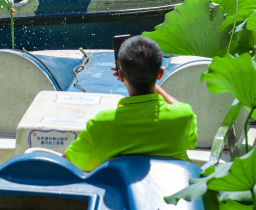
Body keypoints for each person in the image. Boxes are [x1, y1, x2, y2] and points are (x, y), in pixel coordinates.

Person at [63, 36, 198, 172]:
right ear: (160, 73)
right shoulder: (183, 117)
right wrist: (150, 80)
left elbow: (65, 164)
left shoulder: (100, 124)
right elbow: (180, 107)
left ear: (120, 75)